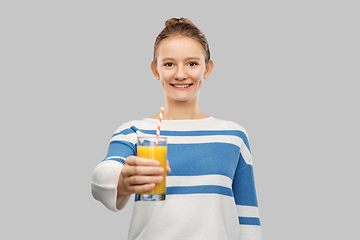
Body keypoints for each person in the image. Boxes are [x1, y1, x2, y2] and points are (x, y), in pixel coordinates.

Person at [91, 17, 262, 240]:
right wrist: (122, 180)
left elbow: (248, 218)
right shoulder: (136, 132)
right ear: (155, 70)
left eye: (192, 63)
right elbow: (101, 178)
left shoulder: (233, 136)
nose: (180, 74)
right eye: (169, 64)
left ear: (207, 68)